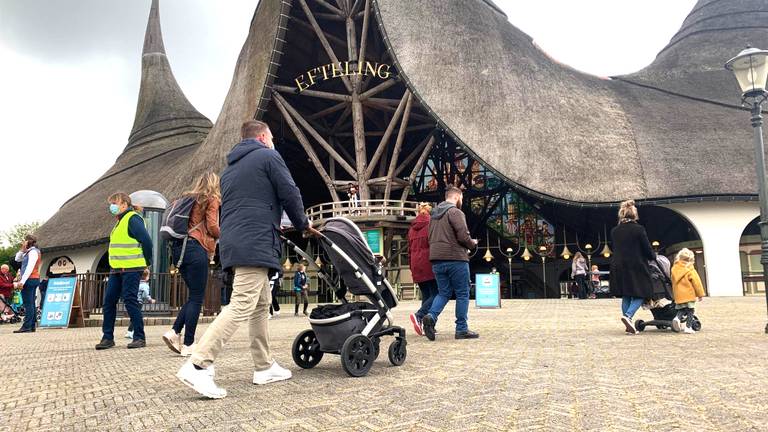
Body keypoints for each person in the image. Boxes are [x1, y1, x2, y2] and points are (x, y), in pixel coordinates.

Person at [176, 120, 319, 399]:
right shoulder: (269, 156)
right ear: (264, 137)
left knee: (261, 304)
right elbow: (290, 191)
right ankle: (198, 364)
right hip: (256, 241)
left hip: (236, 241)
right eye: (273, 137)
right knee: (242, 303)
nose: (274, 141)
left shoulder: (229, 172)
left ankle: (264, 366)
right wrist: (303, 223)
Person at [162, 171, 222, 357]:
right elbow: (212, 226)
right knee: (197, 298)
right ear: (214, 184)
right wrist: (224, 234)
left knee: (193, 296)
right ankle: (188, 344)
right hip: (197, 249)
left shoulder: (188, 198)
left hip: (180, 250)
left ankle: (174, 332)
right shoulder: (210, 199)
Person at [95, 192, 153, 349]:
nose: (112, 206)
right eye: (111, 203)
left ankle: (139, 337)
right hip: (117, 269)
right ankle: (108, 338)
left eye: (115, 202)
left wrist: (146, 262)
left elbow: (146, 240)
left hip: (131, 268)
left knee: (130, 300)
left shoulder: (132, 218)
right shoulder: (119, 222)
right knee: (109, 302)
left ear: (125, 204)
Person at [420, 187, 479, 341]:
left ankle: (431, 316)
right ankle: (461, 329)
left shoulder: (433, 216)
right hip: (456, 259)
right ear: (457, 197)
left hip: (437, 260)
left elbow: (429, 238)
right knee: (462, 293)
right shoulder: (455, 212)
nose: (462, 201)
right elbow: (463, 236)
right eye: (462, 198)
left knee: (443, 292)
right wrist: (472, 243)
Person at [609, 199, 655, 334]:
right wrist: (653, 256)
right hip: (636, 265)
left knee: (627, 294)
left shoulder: (614, 231)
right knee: (643, 291)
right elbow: (646, 248)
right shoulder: (639, 229)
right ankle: (628, 316)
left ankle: (628, 325)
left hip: (618, 265)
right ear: (634, 215)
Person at [407, 202, 438, 336]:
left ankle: (427, 325)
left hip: (416, 264)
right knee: (437, 293)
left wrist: (411, 266)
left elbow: (409, 250)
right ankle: (419, 315)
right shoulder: (432, 225)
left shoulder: (412, 228)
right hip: (428, 264)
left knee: (426, 295)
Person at [671, 248, 705, 334]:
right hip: (689, 294)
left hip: (678, 294)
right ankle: (688, 327)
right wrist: (700, 294)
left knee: (682, 310)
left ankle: (677, 318)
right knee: (690, 311)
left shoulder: (674, 268)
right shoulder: (690, 269)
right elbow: (696, 283)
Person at [13, 234, 42, 333]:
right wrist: (22, 249)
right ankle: (32, 325)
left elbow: (29, 268)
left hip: (29, 279)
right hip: (33, 279)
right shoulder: (29, 252)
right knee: (31, 303)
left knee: (28, 304)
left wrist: (22, 282)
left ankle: (27, 326)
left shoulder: (33, 252)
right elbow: (17, 259)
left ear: (28, 241)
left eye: (25, 241)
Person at [126, 269, 156, 339]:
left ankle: (129, 331)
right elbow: (145, 295)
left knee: (133, 317)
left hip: (134, 301)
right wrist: (150, 300)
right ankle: (131, 332)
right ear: (147, 277)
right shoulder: (145, 285)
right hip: (139, 302)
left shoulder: (137, 283)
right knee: (136, 317)